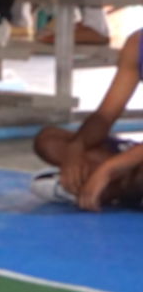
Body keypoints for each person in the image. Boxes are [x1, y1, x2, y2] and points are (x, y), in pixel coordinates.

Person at [30, 31, 143, 208]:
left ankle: (107, 189)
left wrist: (108, 170)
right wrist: (76, 147)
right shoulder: (137, 44)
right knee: (50, 140)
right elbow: (105, 115)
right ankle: (114, 188)